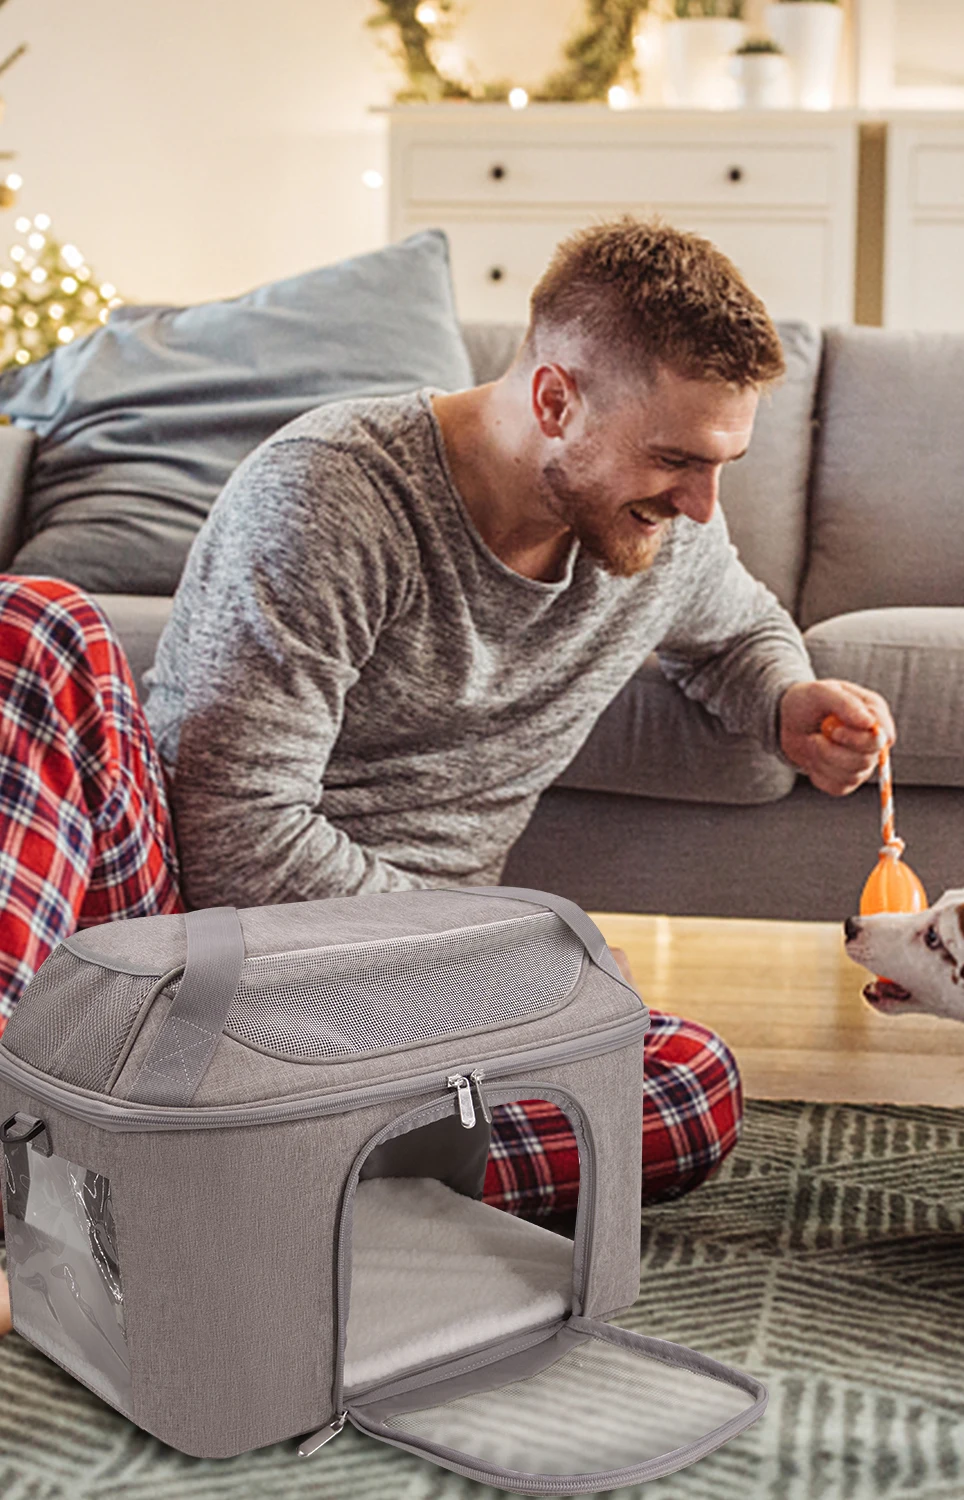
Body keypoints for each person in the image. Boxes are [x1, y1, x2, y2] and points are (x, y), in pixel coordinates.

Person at [0, 220, 895, 1337]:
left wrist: (787, 699)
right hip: (187, 945)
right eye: (676, 460)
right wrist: (512, 957)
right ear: (556, 399)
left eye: (723, 465)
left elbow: (737, 627)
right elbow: (238, 839)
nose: (703, 503)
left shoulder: (656, 536)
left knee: (687, 1085)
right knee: (35, 626)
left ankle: (184, 1179)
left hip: (393, 1008)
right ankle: (171, 1167)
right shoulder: (333, 492)